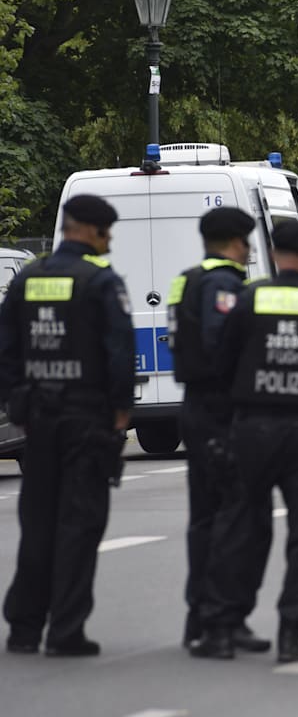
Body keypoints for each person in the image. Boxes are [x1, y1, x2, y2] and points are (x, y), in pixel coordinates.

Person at [193, 219, 298, 663]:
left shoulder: (249, 298)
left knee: (239, 524)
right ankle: (292, 632)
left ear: (272, 250)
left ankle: (224, 627)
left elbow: (222, 362)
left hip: (252, 425)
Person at [0, 194, 134, 657]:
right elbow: (118, 352)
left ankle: (22, 627)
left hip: (37, 419)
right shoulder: (100, 282)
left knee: (37, 521)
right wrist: (120, 411)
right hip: (87, 419)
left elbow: (7, 349)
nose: (109, 241)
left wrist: (18, 399)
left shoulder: (28, 279)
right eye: (107, 232)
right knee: (79, 523)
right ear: (91, 231)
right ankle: (65, 630)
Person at [169, 207, 271, 654]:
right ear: (235, 243)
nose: (249, 251)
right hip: (221, 409)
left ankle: (205, 616)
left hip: (197, 405)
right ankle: (219, 618)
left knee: (207, 517)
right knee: (231, 519)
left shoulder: (187, 278)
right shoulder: (223, 284)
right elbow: (222, 348)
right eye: (247, 243)